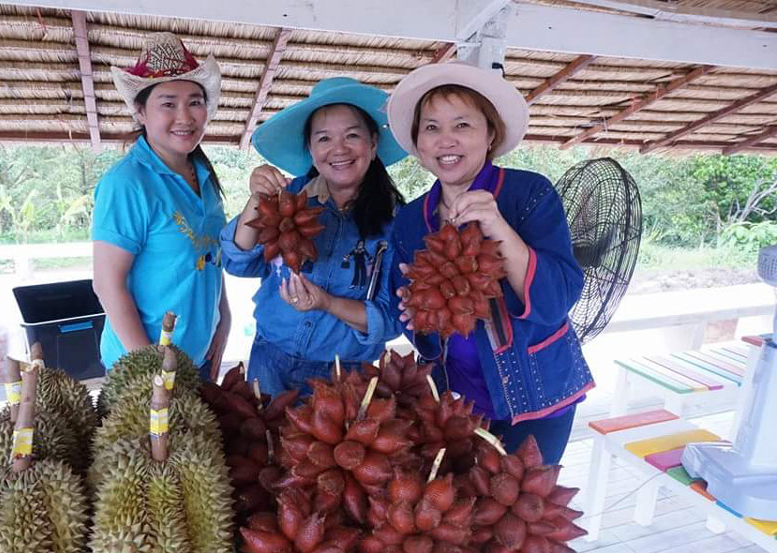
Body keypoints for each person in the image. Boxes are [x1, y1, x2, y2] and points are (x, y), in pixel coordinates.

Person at [385, 62, 594, 464]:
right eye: (431, 128)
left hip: (538, 397)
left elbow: (557, 299)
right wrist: (417, 319)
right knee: (465, 513)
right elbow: (416, 322)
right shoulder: (411, 220)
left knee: (522, 514)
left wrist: (497, 225)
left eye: (462, 125)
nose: (446, 140)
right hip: (456, 402)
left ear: (490, 134)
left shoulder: (528, 192)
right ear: (418, 143)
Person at [220, 77, 407, 396]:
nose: (339, 149)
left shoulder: (397, 223)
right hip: (270, 362)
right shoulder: (286, 197)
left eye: (352, 135)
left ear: (373, 144)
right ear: (310, 148)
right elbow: (238, 262)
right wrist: (257, 199)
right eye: (324, 138)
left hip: (344, 378)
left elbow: (390, 321)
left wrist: (327, 303)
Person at [91, 33, 230, 379]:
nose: (185, 117)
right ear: (140, 111)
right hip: (142, 369)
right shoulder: (128, 182)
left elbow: (209, 255)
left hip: (197, 361)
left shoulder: (204, 177)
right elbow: (108, 284)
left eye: (195, 102)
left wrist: (224, 320)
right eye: (168, 103)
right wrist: (149, 368)